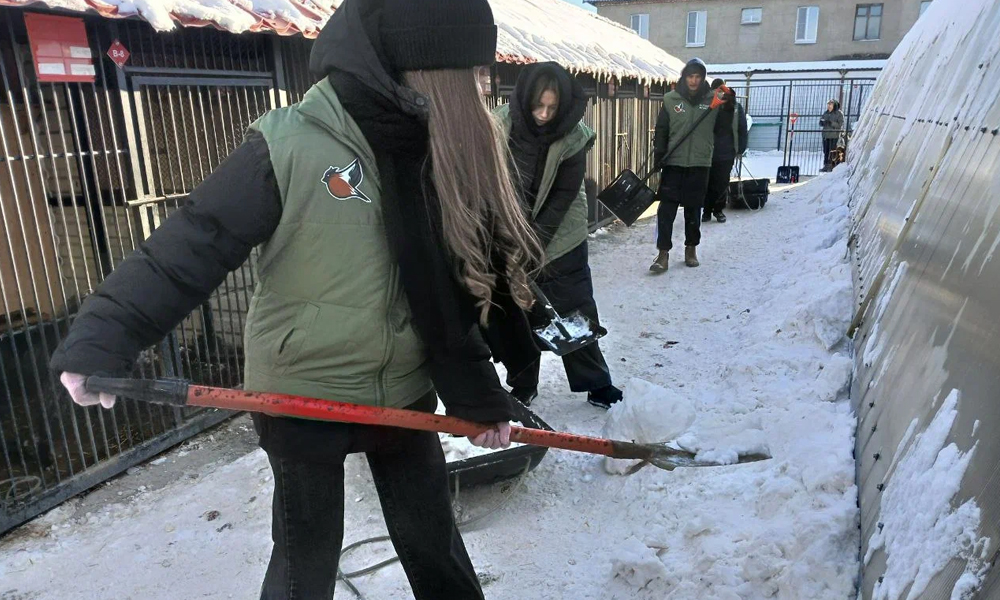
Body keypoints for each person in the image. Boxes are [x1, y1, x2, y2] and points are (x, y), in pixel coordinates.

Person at [49, 1, 548, 598]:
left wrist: (480, 398)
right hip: (301, 391)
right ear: (418, 69)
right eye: (469, 75)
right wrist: (103, 336)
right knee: (305, 558)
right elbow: (192, 244)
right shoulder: (290, 143)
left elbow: (454, 291)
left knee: (433, 538)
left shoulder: (439, 149)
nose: (482, 90)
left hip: (403, 386)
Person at [493, 62, 623, 410]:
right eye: (538, 106)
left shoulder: (573, 135)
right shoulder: (498, 125)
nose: (544, 115)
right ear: (524, 99)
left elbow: (563, 197)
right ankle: (522, 384)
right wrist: (508, 241)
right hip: (508, 226)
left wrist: (531, 247)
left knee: (573, 306)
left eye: (552, 107)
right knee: (515, 312)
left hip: (560, 231)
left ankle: (597, 383)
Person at [649, 58, 726, 273]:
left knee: (693, 210)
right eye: (690, 76)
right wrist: (659, 157)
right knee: (666, 211)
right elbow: (662, 131)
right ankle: (662, 254)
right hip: (674, 163)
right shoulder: (671, 99)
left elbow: (722, 128)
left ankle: (691, 249)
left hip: (700, 163)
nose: (693, 81)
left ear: (703, 78)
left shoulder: (713, 101)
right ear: (684, 77)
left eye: (697, 77)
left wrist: (728, 105)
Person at [702, 79, 748, 224]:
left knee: (720, 183)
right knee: (710, 182)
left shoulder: (735, 108)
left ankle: (716, 210)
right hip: (707, 151)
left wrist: (740, 148)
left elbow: (741, 129)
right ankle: (709, 210)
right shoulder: (706, 105)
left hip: (725, 152)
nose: (720, 94)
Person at [820, 99, 845, 172]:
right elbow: (821, 121)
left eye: (830, 105)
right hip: (825, 135)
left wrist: (831, 123)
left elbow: (840, 124)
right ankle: (826, 165)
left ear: (834, 106)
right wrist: (822, 122)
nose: (829, 106)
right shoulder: (826, 113)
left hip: (834, 136)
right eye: (828, 105)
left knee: (833, 151)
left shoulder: (839, 114)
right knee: (826, 151)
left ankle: (832, 165)